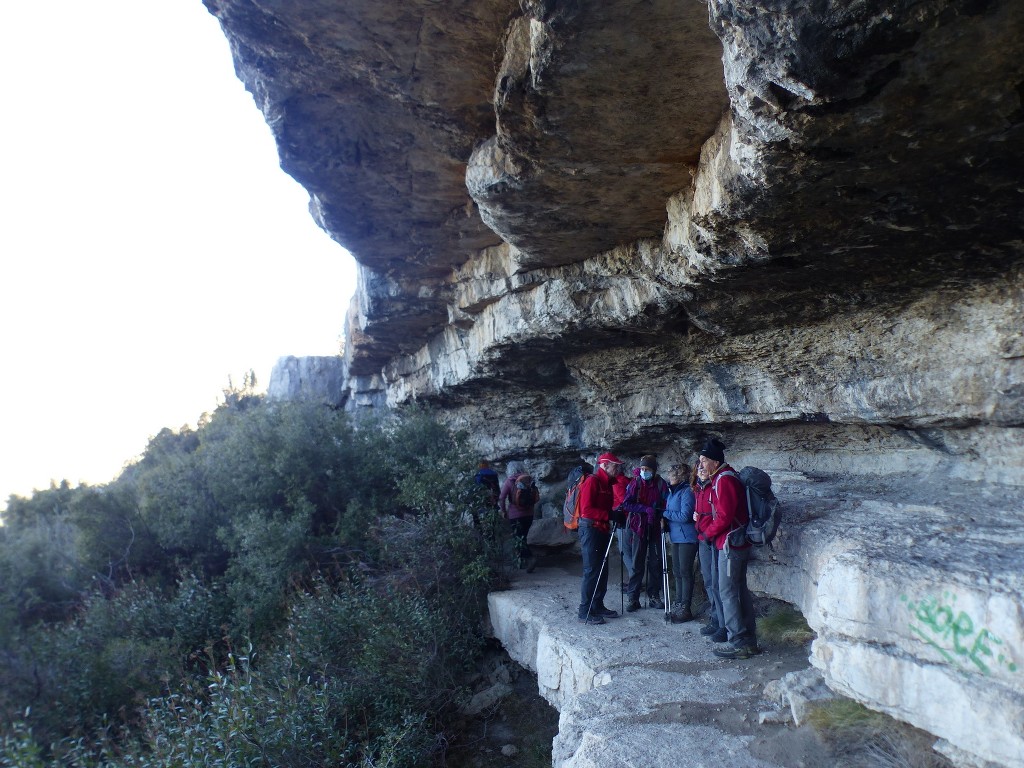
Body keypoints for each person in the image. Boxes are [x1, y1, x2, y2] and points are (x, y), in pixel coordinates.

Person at [694, 438, 759, 659]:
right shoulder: (720, 478)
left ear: (714, 461)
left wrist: (706, 534)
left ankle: (739, 642)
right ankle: (748, 639)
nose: (700, 465)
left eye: (704, 460)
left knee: (728, 592)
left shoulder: (724, 480)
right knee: (737, 591)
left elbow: (724, 516)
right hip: (730, 543)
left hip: (730, 544)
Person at [576, 452, 626, 625]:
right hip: (591, 530)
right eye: (615, 465)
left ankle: (597, 604)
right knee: (591, 570)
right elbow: (586, 511)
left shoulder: (606, 483)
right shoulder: (592, 481)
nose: (618, 468)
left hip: (600, 529)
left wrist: (613, 516)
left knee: (602, 568)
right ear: (604, 465)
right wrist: (610, 515)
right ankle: (585, 610)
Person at [621, 455, 670, 612]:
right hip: (638, 526)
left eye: (647, 469)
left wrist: (661, 515)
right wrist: (644, 509)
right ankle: (633, 598)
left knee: (655, 563)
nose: (643, 472)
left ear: (653, 470)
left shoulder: (661, 484)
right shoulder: (635, 483)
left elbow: (665, 502)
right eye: (642, 469)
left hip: (655, 526)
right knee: (637, 563)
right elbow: (626, 504)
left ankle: (654, 596)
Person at [662, 462, 697, 623]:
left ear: (680, 476)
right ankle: (678, 603)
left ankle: (685, 607)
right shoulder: (672, 492)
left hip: (687, 537)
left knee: (685, 571)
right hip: (676, 536)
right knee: (677, 571)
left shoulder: (686, 492)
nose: (669, 478)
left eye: (672, 475)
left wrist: (665, 513)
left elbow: (685, 516)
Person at [694, 461, 724, 638]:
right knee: (708, 580)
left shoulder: (714, 486)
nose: (702, 471)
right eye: (699, 469)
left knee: (717, 582)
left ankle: (722, 622)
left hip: (713, 537)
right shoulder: (699, 488)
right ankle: (716, 618)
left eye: (704, 468)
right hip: (702, 536)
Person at [499, 465, 538, 573]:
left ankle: (530, 558)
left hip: (515, 516)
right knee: (523, 537)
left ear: (509, 470)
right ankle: (521, 563)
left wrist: (503, 511)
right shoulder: (528, 479)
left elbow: (502, 498)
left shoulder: (509, 481)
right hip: (529, 515)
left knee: (518, 539)